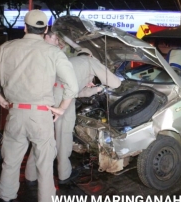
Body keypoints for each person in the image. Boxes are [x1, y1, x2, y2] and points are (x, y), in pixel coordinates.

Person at [0, 10, 79, 202]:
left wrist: (0, 99)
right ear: (45, 30)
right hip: (41, 116)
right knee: (44, 166)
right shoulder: (52, 52)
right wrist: (61, 108)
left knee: (11, 162)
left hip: (15, 113)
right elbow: (72, 85)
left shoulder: (6, 48)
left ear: (25, 27)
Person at [25, 34, 121, 186]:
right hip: (63, 101)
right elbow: (115, 83)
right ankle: (64, 175)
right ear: (90, 55)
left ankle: (30, 176)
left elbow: (79, 91)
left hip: (47, 98)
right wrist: (105, 84)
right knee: (63, 139)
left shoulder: (69, 61)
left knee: (41, 138)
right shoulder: (90, 61)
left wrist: (95, 88)